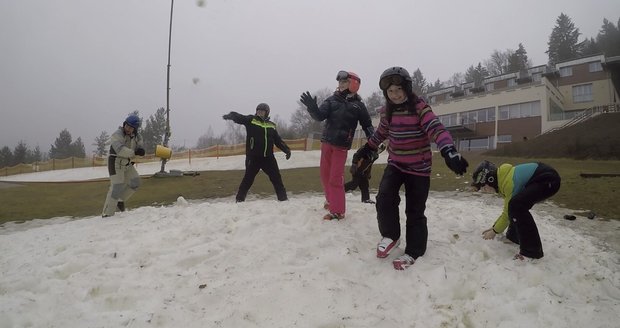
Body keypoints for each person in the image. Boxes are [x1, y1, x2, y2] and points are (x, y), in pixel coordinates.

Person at [356, 66, 469, 270]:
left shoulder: (420, 108)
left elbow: (436, 128)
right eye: (390, 91)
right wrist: (367, 148)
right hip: (396, 164)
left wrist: (448, 150)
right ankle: (391, 235)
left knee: (415, 211)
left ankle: (414, 251)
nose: (395, 95)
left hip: (419, 168)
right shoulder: (386, 113)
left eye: (398, 90)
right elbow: (380, 134)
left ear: (407, 89)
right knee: (384, 198)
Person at [300, 70, 375, 220]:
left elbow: (367, 125)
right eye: (339, 82)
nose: (340, 85)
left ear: (353, 84)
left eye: (343, 82)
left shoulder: (358, 106)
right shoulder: (331, 100)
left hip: (341, 146)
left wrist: (373, 140)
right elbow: (320, 116)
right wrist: (312, 108)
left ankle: (338, 211)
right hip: (327, 143)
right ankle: (331, 201)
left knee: (335, 177)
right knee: (325, 175)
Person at [474, 160, 561, 260]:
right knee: (515, 205)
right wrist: (494, 227)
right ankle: (513, 237)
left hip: (548, 180)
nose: (484, 190)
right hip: (544, 178)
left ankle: (531, 252)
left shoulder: (509, 183)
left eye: (483, 186)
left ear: (490, 180)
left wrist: (494, 231)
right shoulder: (505, 179)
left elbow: (507, 213)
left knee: (516, 206)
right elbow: (507, 211)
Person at [223, 103, 291, 202]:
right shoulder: (252, 120)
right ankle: (239, 200)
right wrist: (232, 115)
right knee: (248, 180)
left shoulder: (271, 125)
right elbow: (241, 118)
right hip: (253, 157)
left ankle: (283, 199)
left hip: (268, 158)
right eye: (258, 110)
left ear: (267, 112)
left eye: (262, 111)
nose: (259, 112)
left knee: (276, 178)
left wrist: (286, 150)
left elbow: (278, 140)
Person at [102, 114, 145, 217]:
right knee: (116, 187)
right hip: (115, 161)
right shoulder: (117, 134)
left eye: (131, 127)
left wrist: (141, 151)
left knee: (136, 182)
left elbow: (139, 147)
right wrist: (135, 152)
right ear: (124, 124)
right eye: (127, 126)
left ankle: (120, 200)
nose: (127, 129)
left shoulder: (137, 137)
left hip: (127, 163)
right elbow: (120, 150)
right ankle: (107, 214)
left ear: (135, 129)